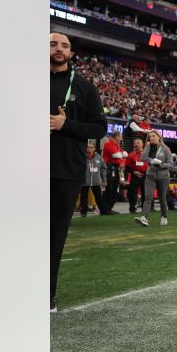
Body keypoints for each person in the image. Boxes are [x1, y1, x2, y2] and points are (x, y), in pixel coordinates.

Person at [51, 33, 108, 312]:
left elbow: (99, 128)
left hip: (67, 170)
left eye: (64, 45)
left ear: (71, 53)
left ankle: (45, 296)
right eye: (52, 43)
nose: (58, 49)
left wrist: (66, 124)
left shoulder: (84, 88)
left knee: (54, 236)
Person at [135, 130, 174, 227]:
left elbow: (171, 164)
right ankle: (144, 217)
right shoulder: (148, 147)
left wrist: (161, 164)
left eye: (153, 136)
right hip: (150, 176)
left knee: (162, 198)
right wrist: (149, 150)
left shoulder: (165, 149)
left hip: (163, 177)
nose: (151, 138)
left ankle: (164, 217)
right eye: (150, 136)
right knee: (148, 197)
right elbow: (143, 158)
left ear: (159, 137)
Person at [78, 143, 108, 217]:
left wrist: (104, 179)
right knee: (83, 197)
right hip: (85, 181)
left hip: (96, 181)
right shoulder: (82, 157)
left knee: (98, 197)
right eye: (87, 147)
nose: (89, 149)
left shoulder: (99, 158)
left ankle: (103, 211)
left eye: (91, 147)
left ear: (94, 149)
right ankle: (83, 212)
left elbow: (104, 168)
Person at [101, 131, 127, 213]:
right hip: (109, 168)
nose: (121, 139)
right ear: (116, 137)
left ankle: (108, 208)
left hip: (115, 168)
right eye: (120, 137)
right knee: (109, 188)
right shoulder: (108, 144)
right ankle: (105, 208)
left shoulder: (116, 145)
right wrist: (121, 155)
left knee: (115, 188)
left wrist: (122, 158)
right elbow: (115, 155)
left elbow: (125, 154)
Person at [125, 138, 148, 213]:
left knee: (145, 192)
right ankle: (132, 208)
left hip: (145, 175)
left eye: (138, 143)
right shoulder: (131, 155)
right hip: (135, 175)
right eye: (135, 143)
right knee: (133, 192)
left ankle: (145, 208)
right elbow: (127, 167)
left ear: (142, 145)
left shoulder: (146, 154)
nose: (136, 145)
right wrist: (134, 172)